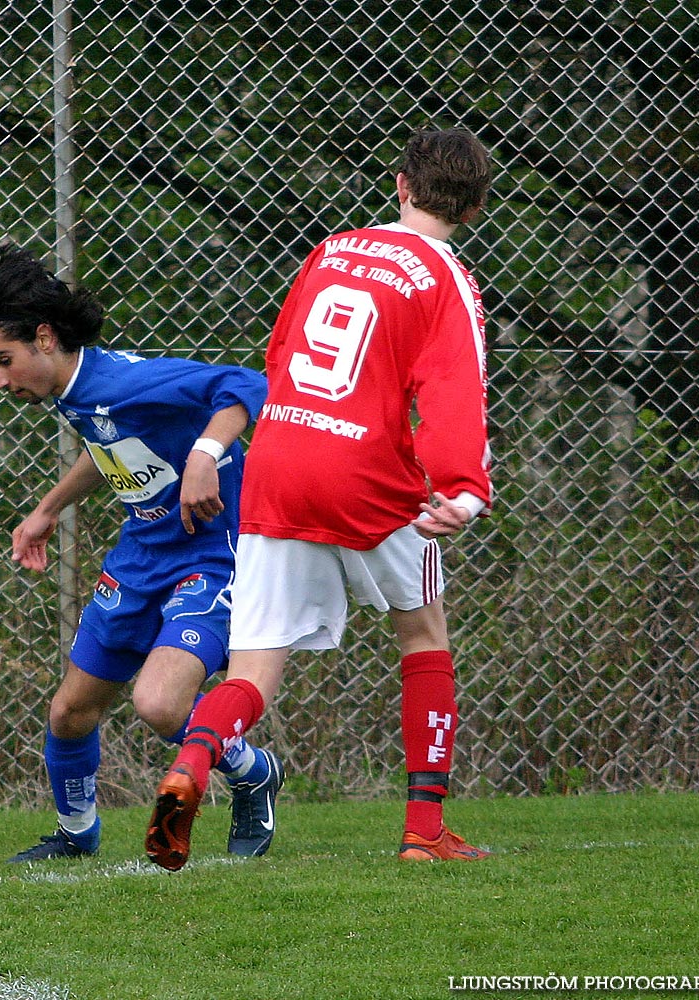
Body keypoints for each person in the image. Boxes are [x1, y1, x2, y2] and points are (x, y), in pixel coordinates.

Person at [145, 127, 495, 870]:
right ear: (472, 211)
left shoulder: (332, 249)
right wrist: (462, 490)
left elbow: (279, 354)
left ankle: (193, 767)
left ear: (400, 185)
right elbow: (452, 390)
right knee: (422, 635)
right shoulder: (445, 280)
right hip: (366, 472)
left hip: (279, 459)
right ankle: (422, 829)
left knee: (251, 671)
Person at [0, 242, 283, 862]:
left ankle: (253, 771)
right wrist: (48, 509)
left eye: (3, 361)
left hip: (209, 555)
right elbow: (111, 445)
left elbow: (247, 385)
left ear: (45, 338)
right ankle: (78, 837)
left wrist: (203, 457)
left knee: (160, 706)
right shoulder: (77, 390)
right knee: (69, 712)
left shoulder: (122, 381)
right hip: (141, 556)